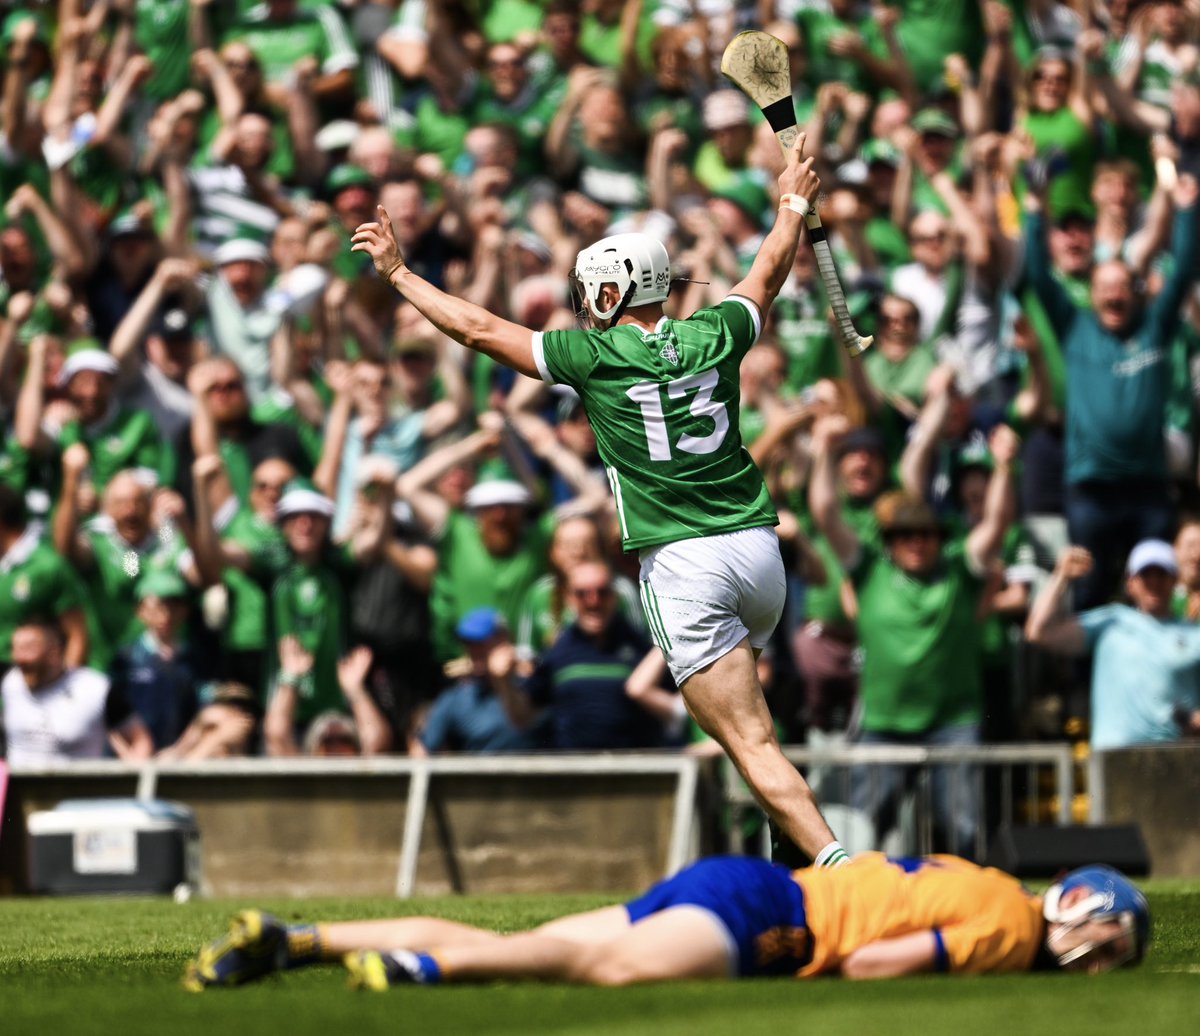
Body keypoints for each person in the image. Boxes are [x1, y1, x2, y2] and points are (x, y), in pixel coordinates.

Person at [351, 133, 847, 866]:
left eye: (591, 294)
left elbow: (480, 329)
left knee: (750, 743)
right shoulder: (717, 331)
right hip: (760, 556)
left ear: (612, 293)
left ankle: (846, 872)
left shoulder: (595, 356)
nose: (587, 307)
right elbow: (769, 268)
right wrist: (793, 200)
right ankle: (794, 862)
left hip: (686, 564)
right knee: (756, 736)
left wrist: (399, 275)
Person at [183, 852, 1150, 991]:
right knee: (597, 966)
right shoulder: (1016, 931)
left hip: (752, 883)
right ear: (1079, 906)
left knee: (548, 940)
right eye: (1111, 943)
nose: (1102, 966)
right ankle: (424, 973)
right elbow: (876, 965)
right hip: (779, 918)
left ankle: (299, 939)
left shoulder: (984, 879)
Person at [1025, 540, 1200, 750]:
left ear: (1174, 581)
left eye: (1161, 575)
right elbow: (1039, 631)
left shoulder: (1193, 633)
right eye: (1146, 575)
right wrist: (1062, 576)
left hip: (1173, 759)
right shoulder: (1111, 621)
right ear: (1131, 582)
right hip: (1113, 759)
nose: (1154, 582)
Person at [1, 618, 152, 765]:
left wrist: (132, 780)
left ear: (54, 653)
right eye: (16, 649)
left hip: (78, 788)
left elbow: (140, 740)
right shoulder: (9, 682)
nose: (19, 658)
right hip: (19, 788)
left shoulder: (94, 689)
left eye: (28, 649)